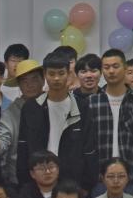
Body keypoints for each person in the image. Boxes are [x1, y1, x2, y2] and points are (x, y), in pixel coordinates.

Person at [17, 50, 97, 188]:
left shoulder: (82, 106)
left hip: (72, 181)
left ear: (69, 74)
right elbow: (23, 146)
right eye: (51, 74)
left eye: (61, 73)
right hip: (38, 178)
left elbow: (89, 147)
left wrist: (86, 185)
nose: (56, 78)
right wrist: (24, 182)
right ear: (45, 75)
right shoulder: (31, 107)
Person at [88, 48, 133, 184]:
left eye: (115, 66)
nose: (111, 71)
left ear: (125, 69)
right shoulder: (92, 102)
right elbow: (87, 143)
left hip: (132, 175)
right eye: (106, 67)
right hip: (100, 177)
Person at [0, 58, 44, 190]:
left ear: (43, 80)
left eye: (34, 79)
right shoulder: (11, 112)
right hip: (20, 178)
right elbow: (3, 139)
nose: (30, 85)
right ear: (19, 85)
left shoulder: (52, 104)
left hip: (51, 174)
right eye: (24, 81)